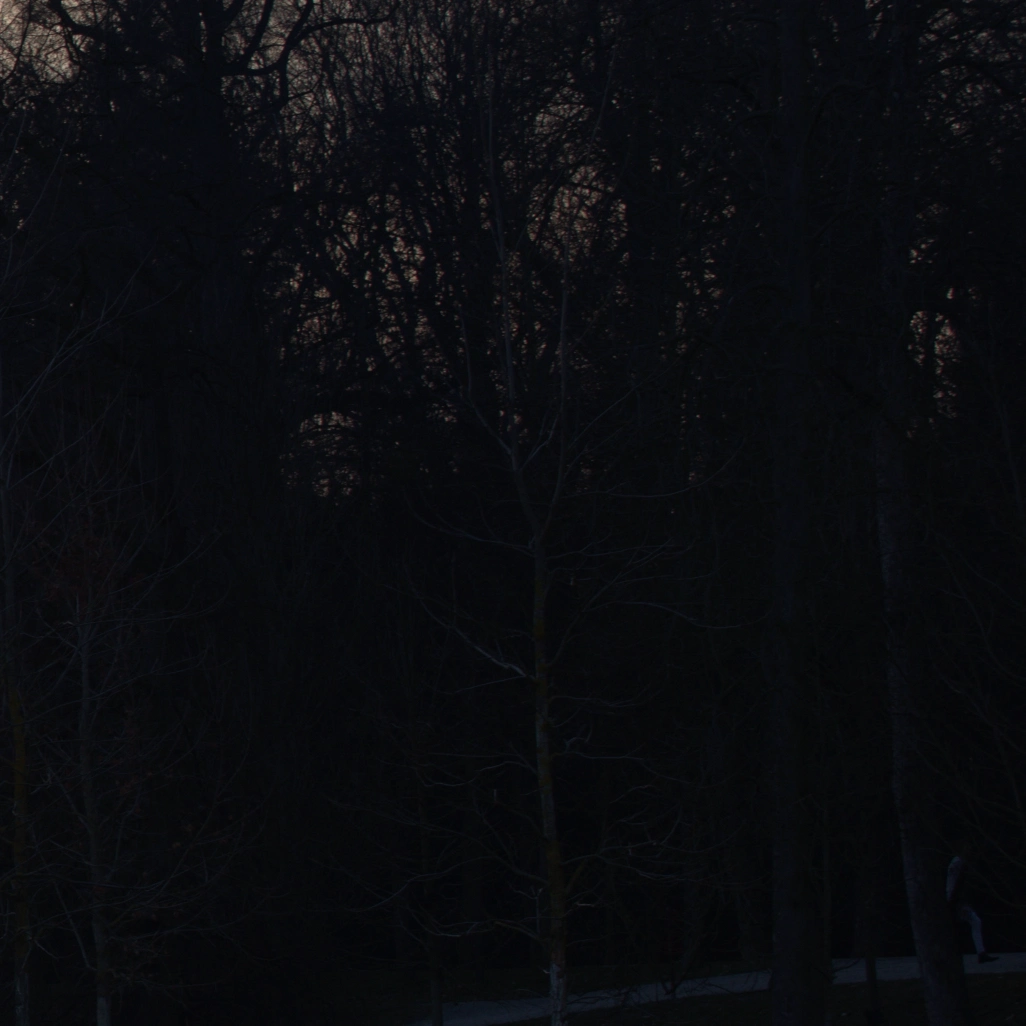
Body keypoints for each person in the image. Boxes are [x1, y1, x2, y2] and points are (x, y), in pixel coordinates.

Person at [947, 846, 998, 964]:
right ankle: (979, 953)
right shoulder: (959, 863)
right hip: (955, 899)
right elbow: (957, 884)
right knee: (973, 922)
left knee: (974, 922)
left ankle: (980, 953)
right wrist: (957, 902)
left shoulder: (959, 862)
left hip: (955, 899)